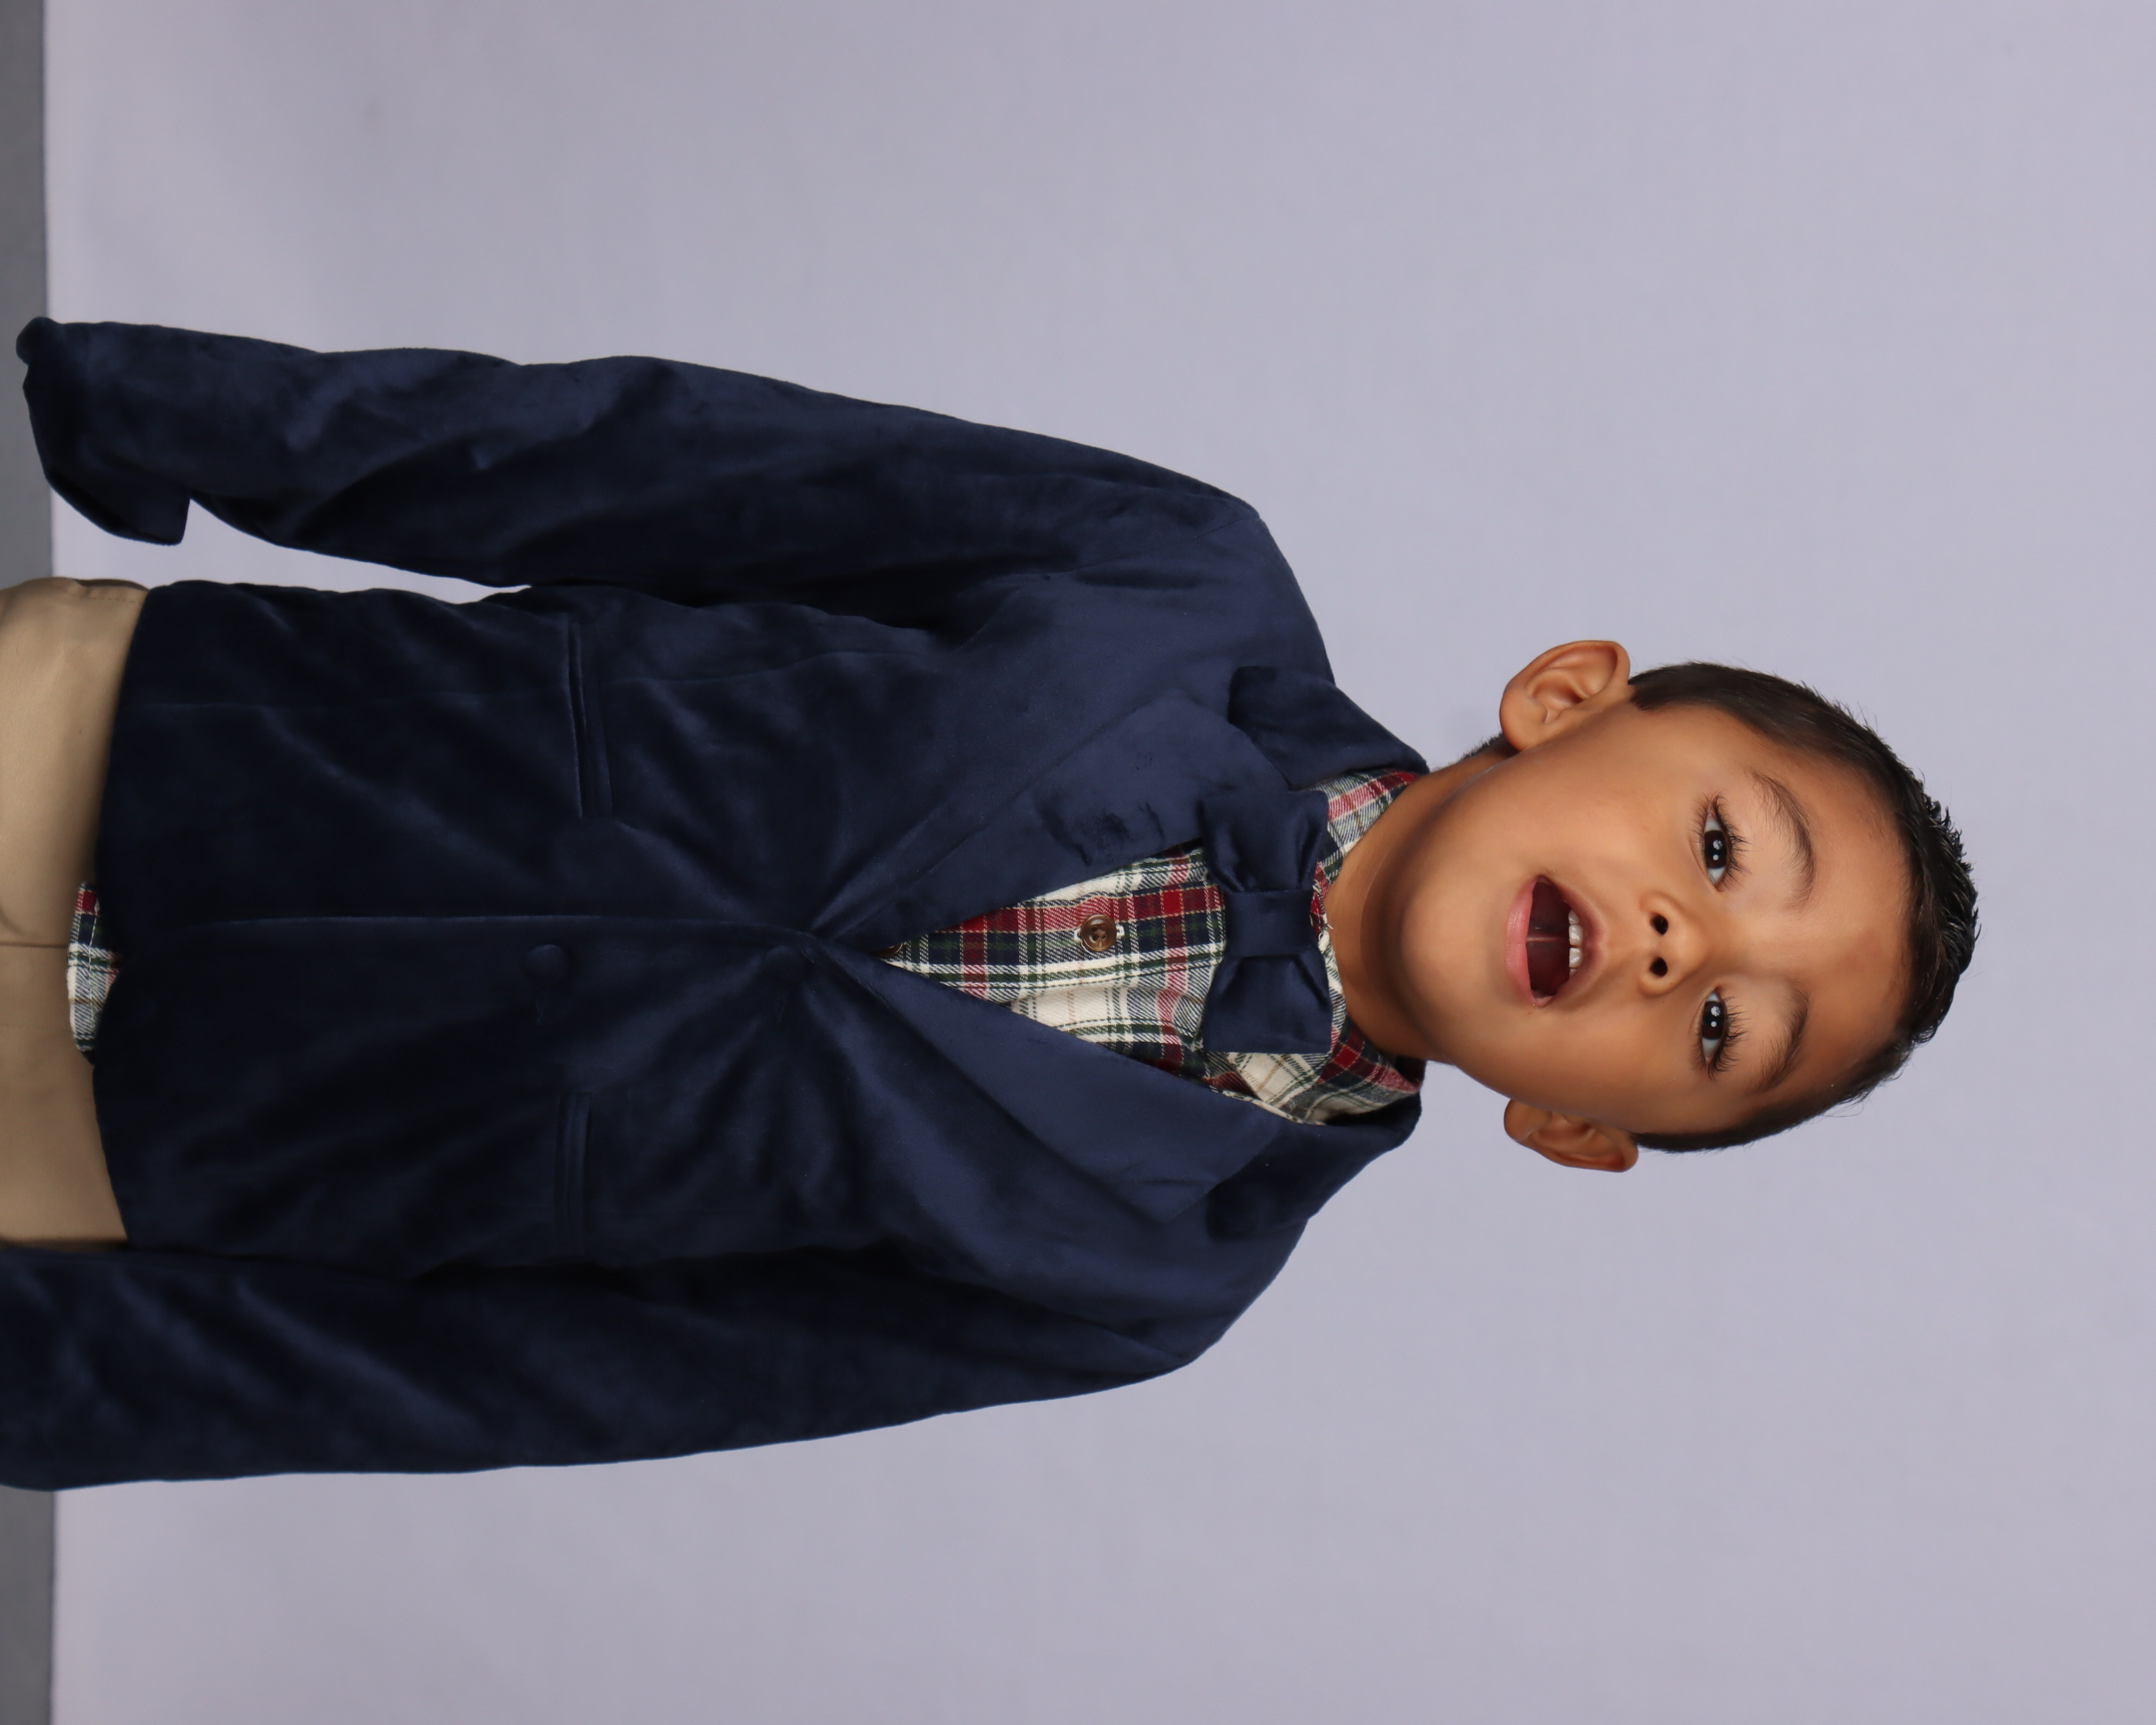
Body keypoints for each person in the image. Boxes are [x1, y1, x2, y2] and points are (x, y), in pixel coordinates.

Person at [0, 319, 1976, 1489]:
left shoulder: (1144, 1275)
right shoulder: (1172, 584)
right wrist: (211, 420)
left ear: (1576, 1127)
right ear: (1565, 697)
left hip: (136, 1144)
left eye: (1720, 1026)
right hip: (135, 736)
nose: (1679, 941)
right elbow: (667, 473)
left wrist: (70, 1374)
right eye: (1723, 851)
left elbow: (564, 1371)